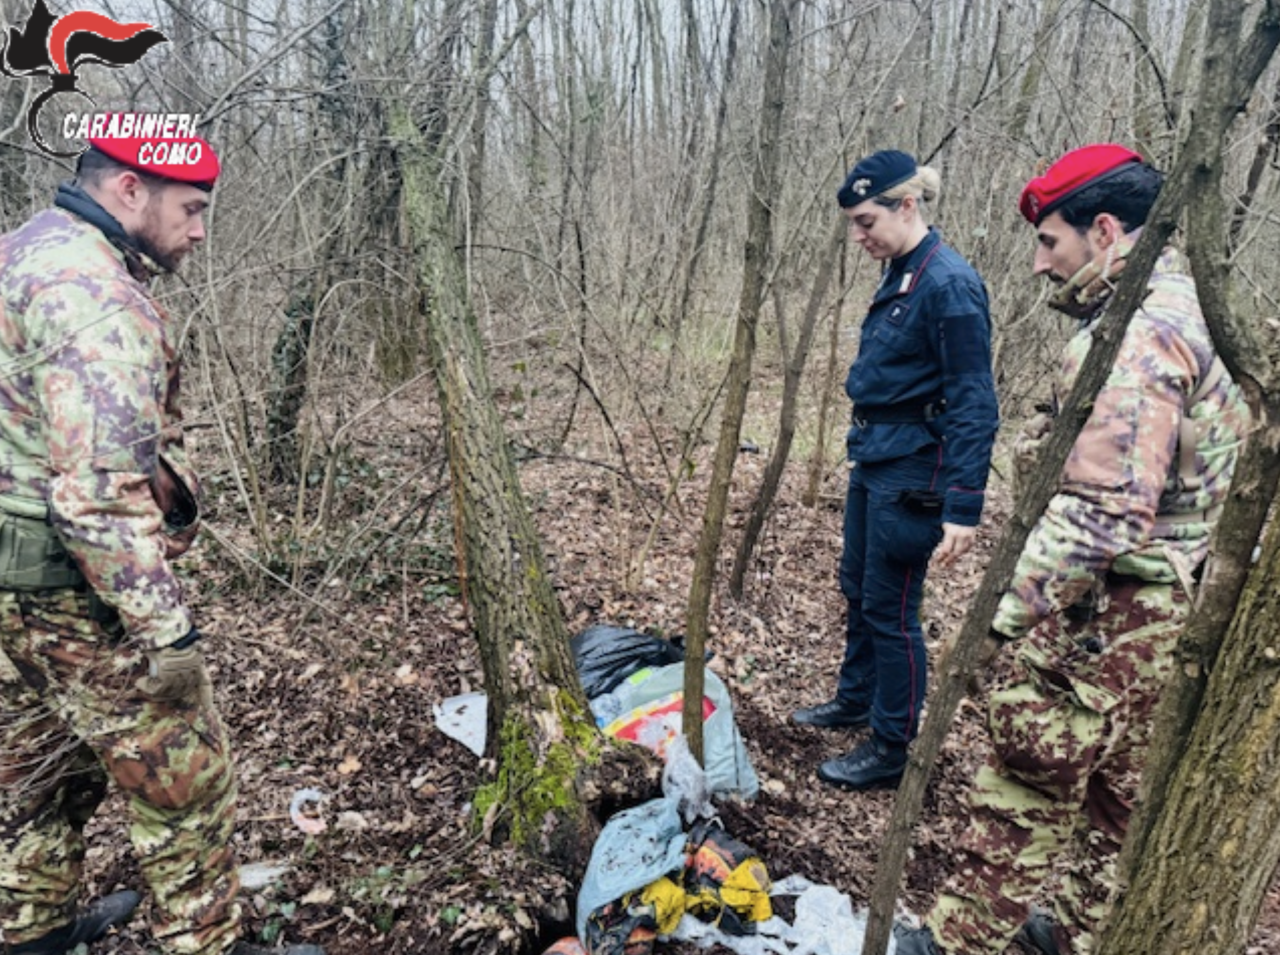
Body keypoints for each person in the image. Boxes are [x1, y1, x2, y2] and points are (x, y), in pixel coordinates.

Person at [894, 145, 1251, 955]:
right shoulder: (1197, 310)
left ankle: (956, 942)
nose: (1036, 261)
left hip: (1110, 610)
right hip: (1172, 608)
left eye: (1049, 241)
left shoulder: (1136, 334)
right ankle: (1080, 931)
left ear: (1103, 231)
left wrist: (997, 620)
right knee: (1119, 797)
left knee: (1027, 773)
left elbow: (1102, 513)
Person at [0, 132, 323, 955]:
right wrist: (164, 630)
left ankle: (33, 932)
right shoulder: (97, 295)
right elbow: (98, 493)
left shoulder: (25, 250)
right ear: (129, 189)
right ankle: (203, 945)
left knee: (39, 771)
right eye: (192, 210)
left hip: (10, 590)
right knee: (187, 780)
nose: (202, 231)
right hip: (64, 587)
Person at [792, 149, 999, 790]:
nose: (858, 236)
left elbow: (974, 401)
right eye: (853, 224)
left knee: (892, 608)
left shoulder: (949, 284)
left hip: (914, 471)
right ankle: (855, 699)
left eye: (865, 222)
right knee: (857, 585)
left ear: (906, 206)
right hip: (876, 454)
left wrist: (963, 503)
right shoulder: (901, 270)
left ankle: (891, 745)